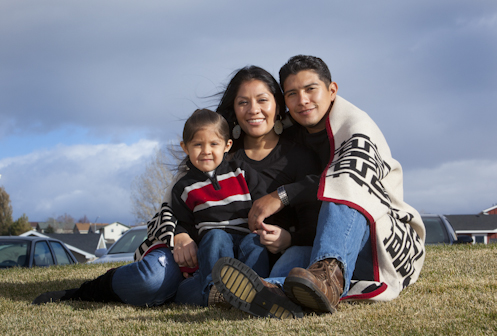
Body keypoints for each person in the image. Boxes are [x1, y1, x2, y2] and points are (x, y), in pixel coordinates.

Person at [32, 66, 321, 312]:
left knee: (264, 258)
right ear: (233, 109)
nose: (253, 110)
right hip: (196, 253)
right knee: (151, 280)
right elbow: (171, 206)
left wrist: (287, 229)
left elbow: (314, 207)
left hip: (262, 251)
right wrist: (180, 234)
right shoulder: (215, 156)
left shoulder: (295, 155)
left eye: (262, 100)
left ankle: (242, 296)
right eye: (243, 102)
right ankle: (87, 291)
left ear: (277, 105)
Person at [211, 55, 426, 317]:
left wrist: (283, 195)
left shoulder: (356, 128)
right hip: (313, 246)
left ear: (332, 90)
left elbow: (348, 181)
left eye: (310, 89)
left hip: (375, 236)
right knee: (295, 260)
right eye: (292, 93)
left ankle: (328, 278)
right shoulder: (287, 132)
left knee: (344, 187)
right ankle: (275, 292)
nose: (302, 100)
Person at [170, 108, 270, 305]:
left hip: (244, 240)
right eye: (198, 144)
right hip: (213, 250)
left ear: (227, 145)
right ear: (185, 147)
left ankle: (255, 292)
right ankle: (217, 291)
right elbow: (183, 222)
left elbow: (263, 204)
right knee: (217, 236)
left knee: (255, 242)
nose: (206, 151)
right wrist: (180, 234)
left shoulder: (241, 171)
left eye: (214, 144)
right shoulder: (184, 187)